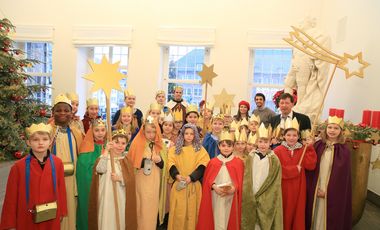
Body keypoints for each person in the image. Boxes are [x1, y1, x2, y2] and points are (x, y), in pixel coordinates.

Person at [0, 123, 67, 229]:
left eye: (45, 139)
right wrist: (10, 223)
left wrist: (62, 211)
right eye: (36, 140)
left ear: (50, 142)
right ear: (28, 142)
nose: (40, 143)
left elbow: (61, 189)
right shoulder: (18, 167)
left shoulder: (57, 163)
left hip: (50, 215)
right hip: (27, 216)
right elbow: (11, 197)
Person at [306, 115, 352, 230]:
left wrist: (328, 192)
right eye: (330, 127)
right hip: (316, 187)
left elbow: (342, 179)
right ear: (325, 129)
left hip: (331, 192)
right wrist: (309, 147)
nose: (332, 130)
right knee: (314, 213)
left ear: (341, 131)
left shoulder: (344, 150)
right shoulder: (318, 145)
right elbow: (310, 168)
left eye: (336, 128)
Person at [88, 129, 138, 230]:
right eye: (116, 142)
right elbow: (100, 170)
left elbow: (131, 181)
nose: (120, 146)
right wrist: (106, 151)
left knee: (120, 217)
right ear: (110, 143)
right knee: (107, 217)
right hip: (106, 196)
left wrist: (120, 179)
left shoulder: (126, 161)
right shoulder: (104, 158)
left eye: (123, 143)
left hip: (121, 197)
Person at [273, 118, 317, 230]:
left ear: (298, 137)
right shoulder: (277, 151)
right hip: (283, 187)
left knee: (297, 211)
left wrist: (310, 148)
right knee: (284, 210)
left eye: (294, 135)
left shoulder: (303, 149)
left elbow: (311, 166)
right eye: (288, 135)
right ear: (284, 136)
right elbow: (275, 170)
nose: (291, 138)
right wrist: (293, 170)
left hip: (299, 187)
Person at [197, 130, 244, 230]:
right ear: (218, 146)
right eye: (223, 145)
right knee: (215, 218)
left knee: (228, 219)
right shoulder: (213, 162)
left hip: (231, 197)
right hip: (215, 196)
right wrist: (214, 187)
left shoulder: (238, 163)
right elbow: (207, 180)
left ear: (233, 147)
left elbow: (241, 181)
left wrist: (234, 188)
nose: (226, 148)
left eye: (229, 146)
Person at [127, 116, 168, 230]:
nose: (151, 135)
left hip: (155, 181)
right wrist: (145, 161)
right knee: (142, 206)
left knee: (152, 207)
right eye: (148, 132)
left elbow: (164, 165)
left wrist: (159, 161)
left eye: (154, 132)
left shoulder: (160, 145)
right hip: (141, 181)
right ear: (143, 131)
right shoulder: (137, 143)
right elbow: (131, 163)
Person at [167, 124, 210, 230]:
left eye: (192, 134)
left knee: (192, 213)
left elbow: (203, 165)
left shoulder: (200, 149)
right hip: (179, 185)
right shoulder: (174, 149)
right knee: (178, 213)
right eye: (186, 133)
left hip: (193, 185)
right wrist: (176, 175)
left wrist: (191, 177)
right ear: (182, 134)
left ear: (195, 135)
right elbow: (170, 163)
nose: (189, 136)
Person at [241, 123, 283, 230]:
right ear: (256, 142)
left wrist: (267, 195)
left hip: (266, 195)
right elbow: (246, 177)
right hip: (251, 193)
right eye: (260, 142)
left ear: (270, 143)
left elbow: (275, 180)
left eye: (266, 142)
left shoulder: (274, 159)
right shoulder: (250, 157)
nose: (263, 145)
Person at [51, 94, 83, 230]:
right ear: (53, 112)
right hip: (52, 179)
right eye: (58, 110)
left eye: (66, 110)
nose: (62, 113)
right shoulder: (47, 132)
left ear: (72, 113)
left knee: (70, 206)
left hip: (71, 179)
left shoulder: (77, 132)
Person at [76, 119, 107, 230]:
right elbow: (83, 171)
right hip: (91, 186)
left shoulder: (109, 146)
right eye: (97, 130)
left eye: (103, 130)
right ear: (92, 131)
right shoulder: (86, 147)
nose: (100, 133)